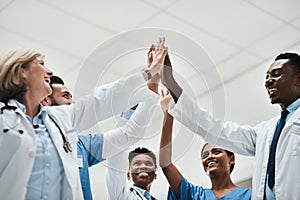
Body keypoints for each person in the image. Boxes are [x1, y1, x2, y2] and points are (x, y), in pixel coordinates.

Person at [0, 38, 167, 199]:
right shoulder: (4, 119)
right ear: (22, 71)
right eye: (41, 64)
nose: (49, 72)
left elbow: (102, 101)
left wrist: (150, 74)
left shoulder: (62, 123)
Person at [161, 52, 300, 199]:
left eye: (276, 74)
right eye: (267, 77)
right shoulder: (265, 131)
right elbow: (214, 129)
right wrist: (171, 82)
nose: (268, 82)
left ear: (298, 79)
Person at [41, 71, 159, 200]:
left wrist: (135, 106)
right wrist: (149, 73)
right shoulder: (34, 139)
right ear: (46, 101)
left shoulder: (82, 145)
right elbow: (100, 101)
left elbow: (127, 135)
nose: (72, 103)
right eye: (65, 96)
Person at [159, 89, 251, 199]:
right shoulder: (194, 195)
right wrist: (168, 115)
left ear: (231, 159)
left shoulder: (250, 195)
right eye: (205, 155)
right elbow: (165, 164)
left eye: (216, 152)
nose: (210, 157)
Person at [106, 44, 161, 200]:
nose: (143, 166)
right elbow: (116, 150)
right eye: (136, 164)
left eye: (148, 164)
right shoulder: (121, 194)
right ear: (128, 174)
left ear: (155, 174)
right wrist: (153, 76)